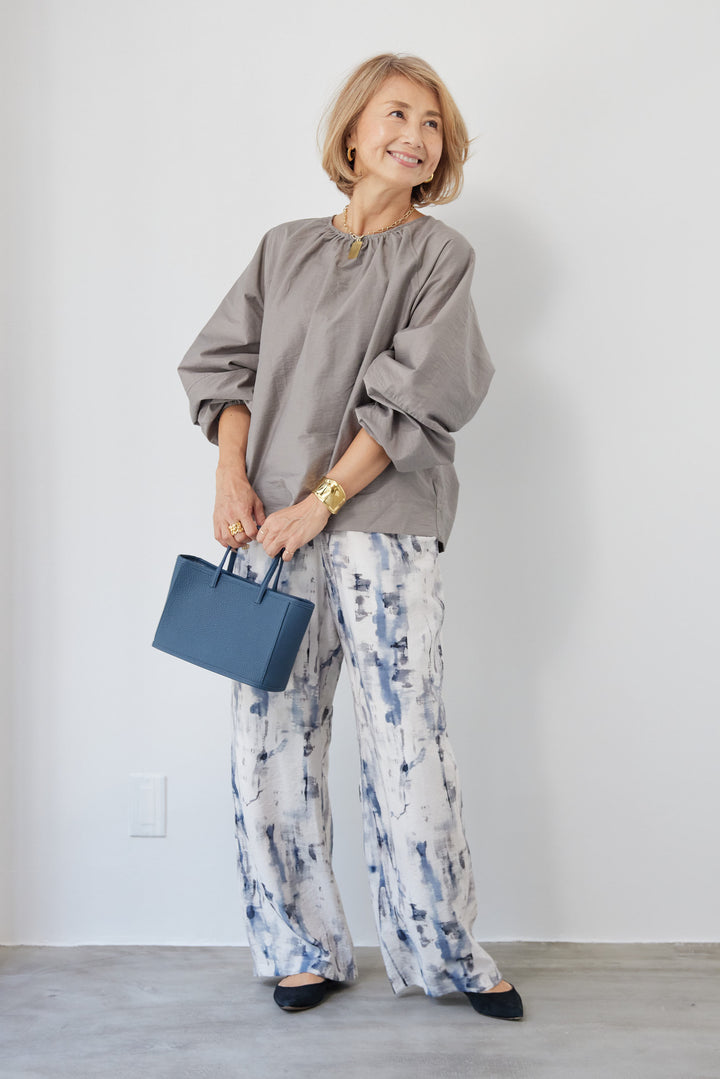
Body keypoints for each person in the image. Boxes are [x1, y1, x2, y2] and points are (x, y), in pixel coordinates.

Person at [178, 52, 523, 1020]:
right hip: (268, 530)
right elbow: (226, 368)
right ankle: (301, 949)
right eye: (398, 114)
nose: (416, 136)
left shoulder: (441, 257)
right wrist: (231, 474)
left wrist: (321, 500)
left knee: (406, 738)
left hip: (381, 527)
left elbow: (416, 395)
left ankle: (444, 953)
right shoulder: (283, 247)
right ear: (354, 130)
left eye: (433, 124)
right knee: (268, 737)